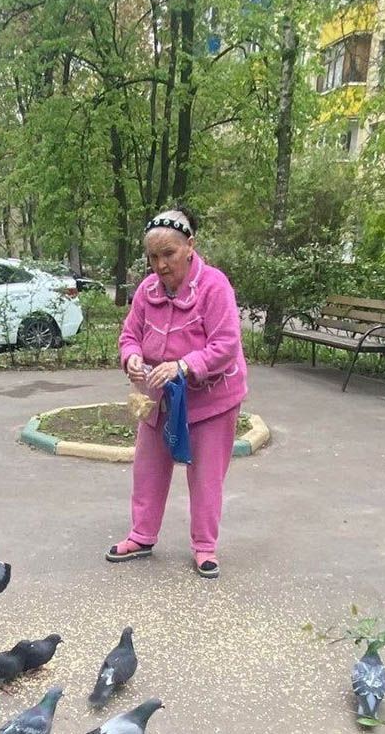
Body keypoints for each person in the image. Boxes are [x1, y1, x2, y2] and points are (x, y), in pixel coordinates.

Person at [108, 204, 248, 578]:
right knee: (148, 468)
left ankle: (205, 547)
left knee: (205, 476)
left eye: (168, 253)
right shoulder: (147, 289)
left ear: (190, 246)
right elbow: (129, 334)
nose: (161, 264)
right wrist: (131, 356)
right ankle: (141, 536)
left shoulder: (214, 285)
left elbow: (226, 344)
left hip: (211, 398)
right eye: (153, 256)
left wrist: (183, 365)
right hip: (159, 396)